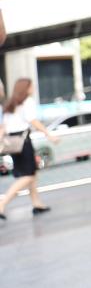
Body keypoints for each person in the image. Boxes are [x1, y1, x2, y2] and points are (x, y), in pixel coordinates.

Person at [0, 78, 60, 219]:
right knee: (28, 176)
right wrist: (48, 134)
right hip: (23, 141)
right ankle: (2, 203)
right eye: (32, 86)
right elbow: (32, 120)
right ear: (26, 88)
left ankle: (36, 203)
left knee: (32, 174)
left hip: (12, 142)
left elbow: (4, 126)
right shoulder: (27, 102)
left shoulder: (11, 104)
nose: (34, 88)